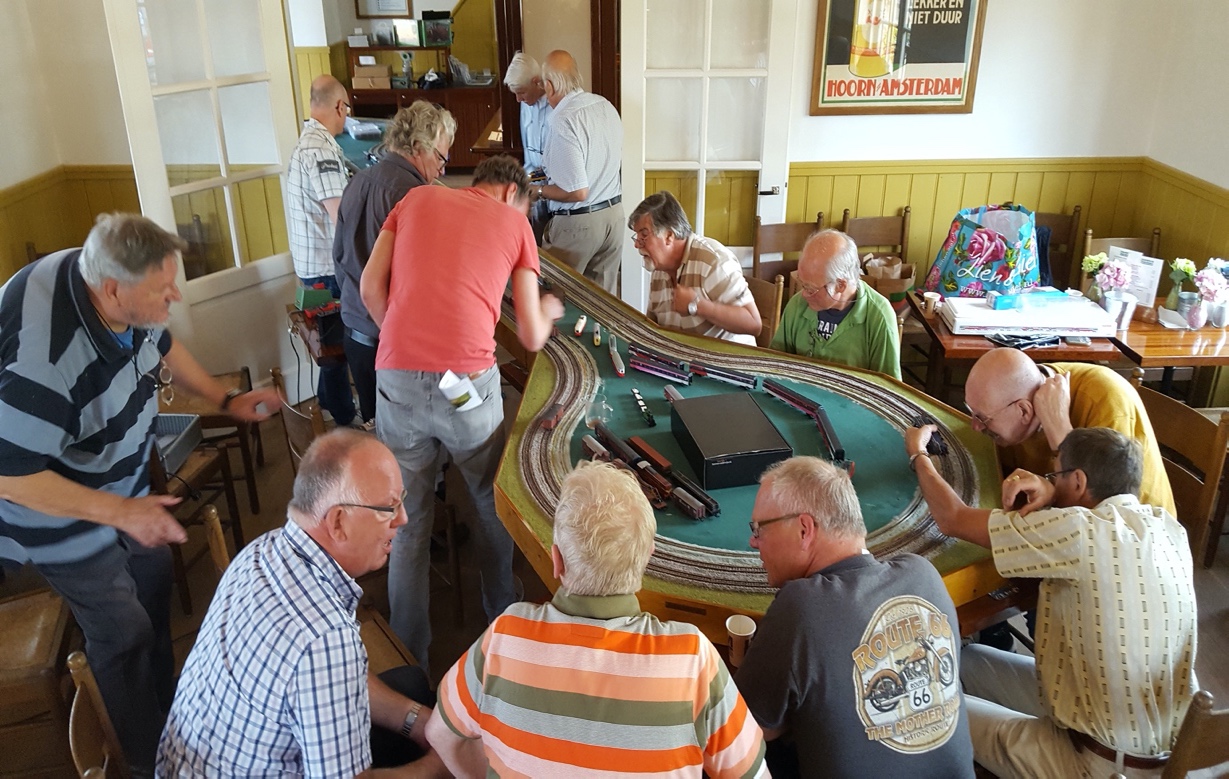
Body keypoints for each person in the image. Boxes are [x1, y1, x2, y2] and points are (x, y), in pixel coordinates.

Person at [0, 213, 276, 773]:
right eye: (163, 289)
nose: (176, 295)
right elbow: (11, 474)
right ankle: (148, 761)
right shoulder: (45, 362)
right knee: (121, 632)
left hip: (118, 483)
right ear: (112, 291)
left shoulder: (119, 284)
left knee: (153, 582)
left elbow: (163, 342)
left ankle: (168, 711)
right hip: (57, 509)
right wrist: (122, 513)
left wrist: (224, 400)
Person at [426, 461, 768, 778]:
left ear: (557, 561)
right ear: (646, 559)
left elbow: (440, 734)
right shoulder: (693, 658)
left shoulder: (505, 636)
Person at [361, 155, 563, 675]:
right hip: (465, 387)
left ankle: (411, 660)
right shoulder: (516, 224)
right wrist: (549, 310)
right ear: (513, 193)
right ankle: (501, 615)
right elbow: (531, 336)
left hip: (397, 378)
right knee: (489, 498)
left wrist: (406, 347)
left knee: (407, 521)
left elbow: (369, 289)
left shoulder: (416, 198)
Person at [905, 425, 1198, 778]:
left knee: (922, 708)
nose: (1050, 483)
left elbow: (953, 518)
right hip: (1163, 745)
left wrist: (918, 454)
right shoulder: (1169, 529)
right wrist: (1052, 494)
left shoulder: (1079, 531)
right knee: (967, 659)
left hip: (1099, 765)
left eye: (1055, 476)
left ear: (1078, 481)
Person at [158, 430, 448, 777]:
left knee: (412, 684)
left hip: (190, 763)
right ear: (338, 522)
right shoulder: (325, 640)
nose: (402, 519)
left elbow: (331, 680)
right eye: (389, 508)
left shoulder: (260, 551)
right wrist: (442, 764)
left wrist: (417, 722)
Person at [734, 456, 973, 778]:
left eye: (759, 529)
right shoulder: (924, 574)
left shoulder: (801, 604)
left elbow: (743, 727)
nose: (754, 542)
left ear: (804, 529)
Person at [333, 101, 456, 426]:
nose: (442, 170)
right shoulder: (416, 197)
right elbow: (426, 283)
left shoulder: (357, 181)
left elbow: (340, 258)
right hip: (396, 345)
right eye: (440, 158)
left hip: (356, 335)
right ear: (418, 146)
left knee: (379, 431)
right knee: (415, 437)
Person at [962, 348, 1175, 514]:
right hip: (1056, 514)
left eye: (982, 418)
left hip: (1132, 537)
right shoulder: (1020, 387)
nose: (975, 426)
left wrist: (1060, 431)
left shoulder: (1105, 400)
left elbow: (1102, 514)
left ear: (1024, 411)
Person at [287, 73, 356, 427]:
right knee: (335, 346)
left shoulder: (306, 142)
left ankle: (328, 401)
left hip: (309, 265)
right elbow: (339, 214)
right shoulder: (321, 150)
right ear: (340, 107)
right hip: (325, 269)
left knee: (323, 340)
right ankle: (345, 419)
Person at [536, 49, 624, 295]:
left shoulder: (562, 119)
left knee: (556, 299)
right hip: (614, 217)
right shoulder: (605, 105)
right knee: (601, 303)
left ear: (550, 86)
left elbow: (576, 191)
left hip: (579, 224)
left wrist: (538, 191)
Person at [629, 190, 762, 345]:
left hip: (726, 358)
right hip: (684, 357)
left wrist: (698, 305)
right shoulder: (659, 270)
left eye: (644, 235)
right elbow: (653, 327)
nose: (637, 244)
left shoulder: (713, 261)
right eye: (636, 236)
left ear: (669, 236)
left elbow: (754, 323)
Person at [771, 229, 901, 379]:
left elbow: (887, 388)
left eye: (811, 289)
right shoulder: (797, 304)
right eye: (802, 283)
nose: (804, 294)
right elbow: (775, 366)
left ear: (840, 285)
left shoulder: (879, 317)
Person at [502, 50, 552, 242]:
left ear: (536, 82)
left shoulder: (556, 108)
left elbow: (551, 164)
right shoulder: (525, 104)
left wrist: (529, 179)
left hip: (552, 189)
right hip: (532, 182)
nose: (518, 99)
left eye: (521, 92)